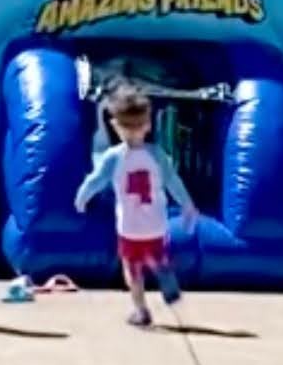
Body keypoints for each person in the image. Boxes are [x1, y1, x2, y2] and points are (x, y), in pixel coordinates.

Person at [74, 84, 199, 327]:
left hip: (129, 227)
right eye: (133, 126)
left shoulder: (113, 156)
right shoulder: (157, 154)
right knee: (156, 255)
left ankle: (141, 310)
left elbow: (96, 180)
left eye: (134, 126)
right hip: (155, 224)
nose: (133, 132)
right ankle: (164, 274)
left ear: (114, 125)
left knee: (132, 270)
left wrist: (82, 197)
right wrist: (187, 204)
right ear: (149, 125)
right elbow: (173, 181)